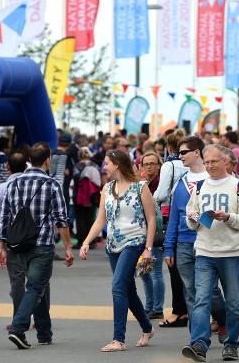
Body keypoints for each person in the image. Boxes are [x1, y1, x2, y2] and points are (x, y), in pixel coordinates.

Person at [0, 142, 74, 349]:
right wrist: (67, 247)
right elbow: (61, 219)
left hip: (16, 245)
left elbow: (4, 217)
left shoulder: (13, 183)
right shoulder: (51, 184)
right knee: (36, 287)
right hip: (41, 246)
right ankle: (18, 328)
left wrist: (0, 246)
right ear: (48, 160)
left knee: (37, 287)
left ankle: (44, 333)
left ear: (30, 159)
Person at [79, 149, 156, 352]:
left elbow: (151, 219)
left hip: (134, 242)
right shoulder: (107, 188)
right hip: (113, 245)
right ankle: (147, 328)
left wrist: (148, 248)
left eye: (107, 163)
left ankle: (118, 339)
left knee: (118, 286)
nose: (104, 167)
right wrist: (86, 241)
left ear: (117, 164)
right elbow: (101, 219)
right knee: (128, 290)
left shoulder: (140, 187)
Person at [183, 144, 239, 362]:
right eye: (207, 162)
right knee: (202, 300)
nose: (210, 165)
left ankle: (231, 344)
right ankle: (200, 344)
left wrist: (228, 217)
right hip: (204, 251)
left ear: (226, 161)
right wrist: (193, 218)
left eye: (214, 161)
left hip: (231, 252)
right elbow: (190, 219)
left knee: (233, 302)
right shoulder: (199, 187)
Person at [165, 136, 228, 343]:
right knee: (190, 291)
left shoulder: (213, 179)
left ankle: (223, 320)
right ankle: (197, 337)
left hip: (207, 241)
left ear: (197, 153)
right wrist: (168, 247)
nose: (179, 156)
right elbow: (174, 217)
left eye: (183, 152)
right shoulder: (180, 183)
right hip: (183, 244)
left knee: (210, 290)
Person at [154, 130, 190, 327]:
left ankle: (179, 311)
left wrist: (148, 200)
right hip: (191, 218)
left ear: (169, 147)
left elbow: (160, 194)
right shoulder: (191, 166)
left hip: (172, 217)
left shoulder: (169, 165)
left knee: (174, 266)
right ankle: (188, 309)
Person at [0, 152, 27, 327]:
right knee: (38, 280)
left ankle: (19, 319)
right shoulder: (36, 185)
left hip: (12, 239)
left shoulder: (2, 188)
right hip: (36, 239)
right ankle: (42, 319)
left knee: (17, 281)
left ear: (7, 167)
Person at [138, 151, 165, 320]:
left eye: (152, 163)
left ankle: (157, 308)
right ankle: (149, 307)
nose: (149, 166)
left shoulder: (161, 184)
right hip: (141, 235)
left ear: (159, 166)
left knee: (155, 272)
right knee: (144, 272)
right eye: (145, 163)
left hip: (155, 234)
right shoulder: (141, 184)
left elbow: (159, 216)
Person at [73, 147, 101, 249]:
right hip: (93, 196)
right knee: (91, 218)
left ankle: (81, 241)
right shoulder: (95, 166)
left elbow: (75, 178)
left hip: (80, 196)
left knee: (80, 218)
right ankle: (91, 241)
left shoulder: (77, 166)